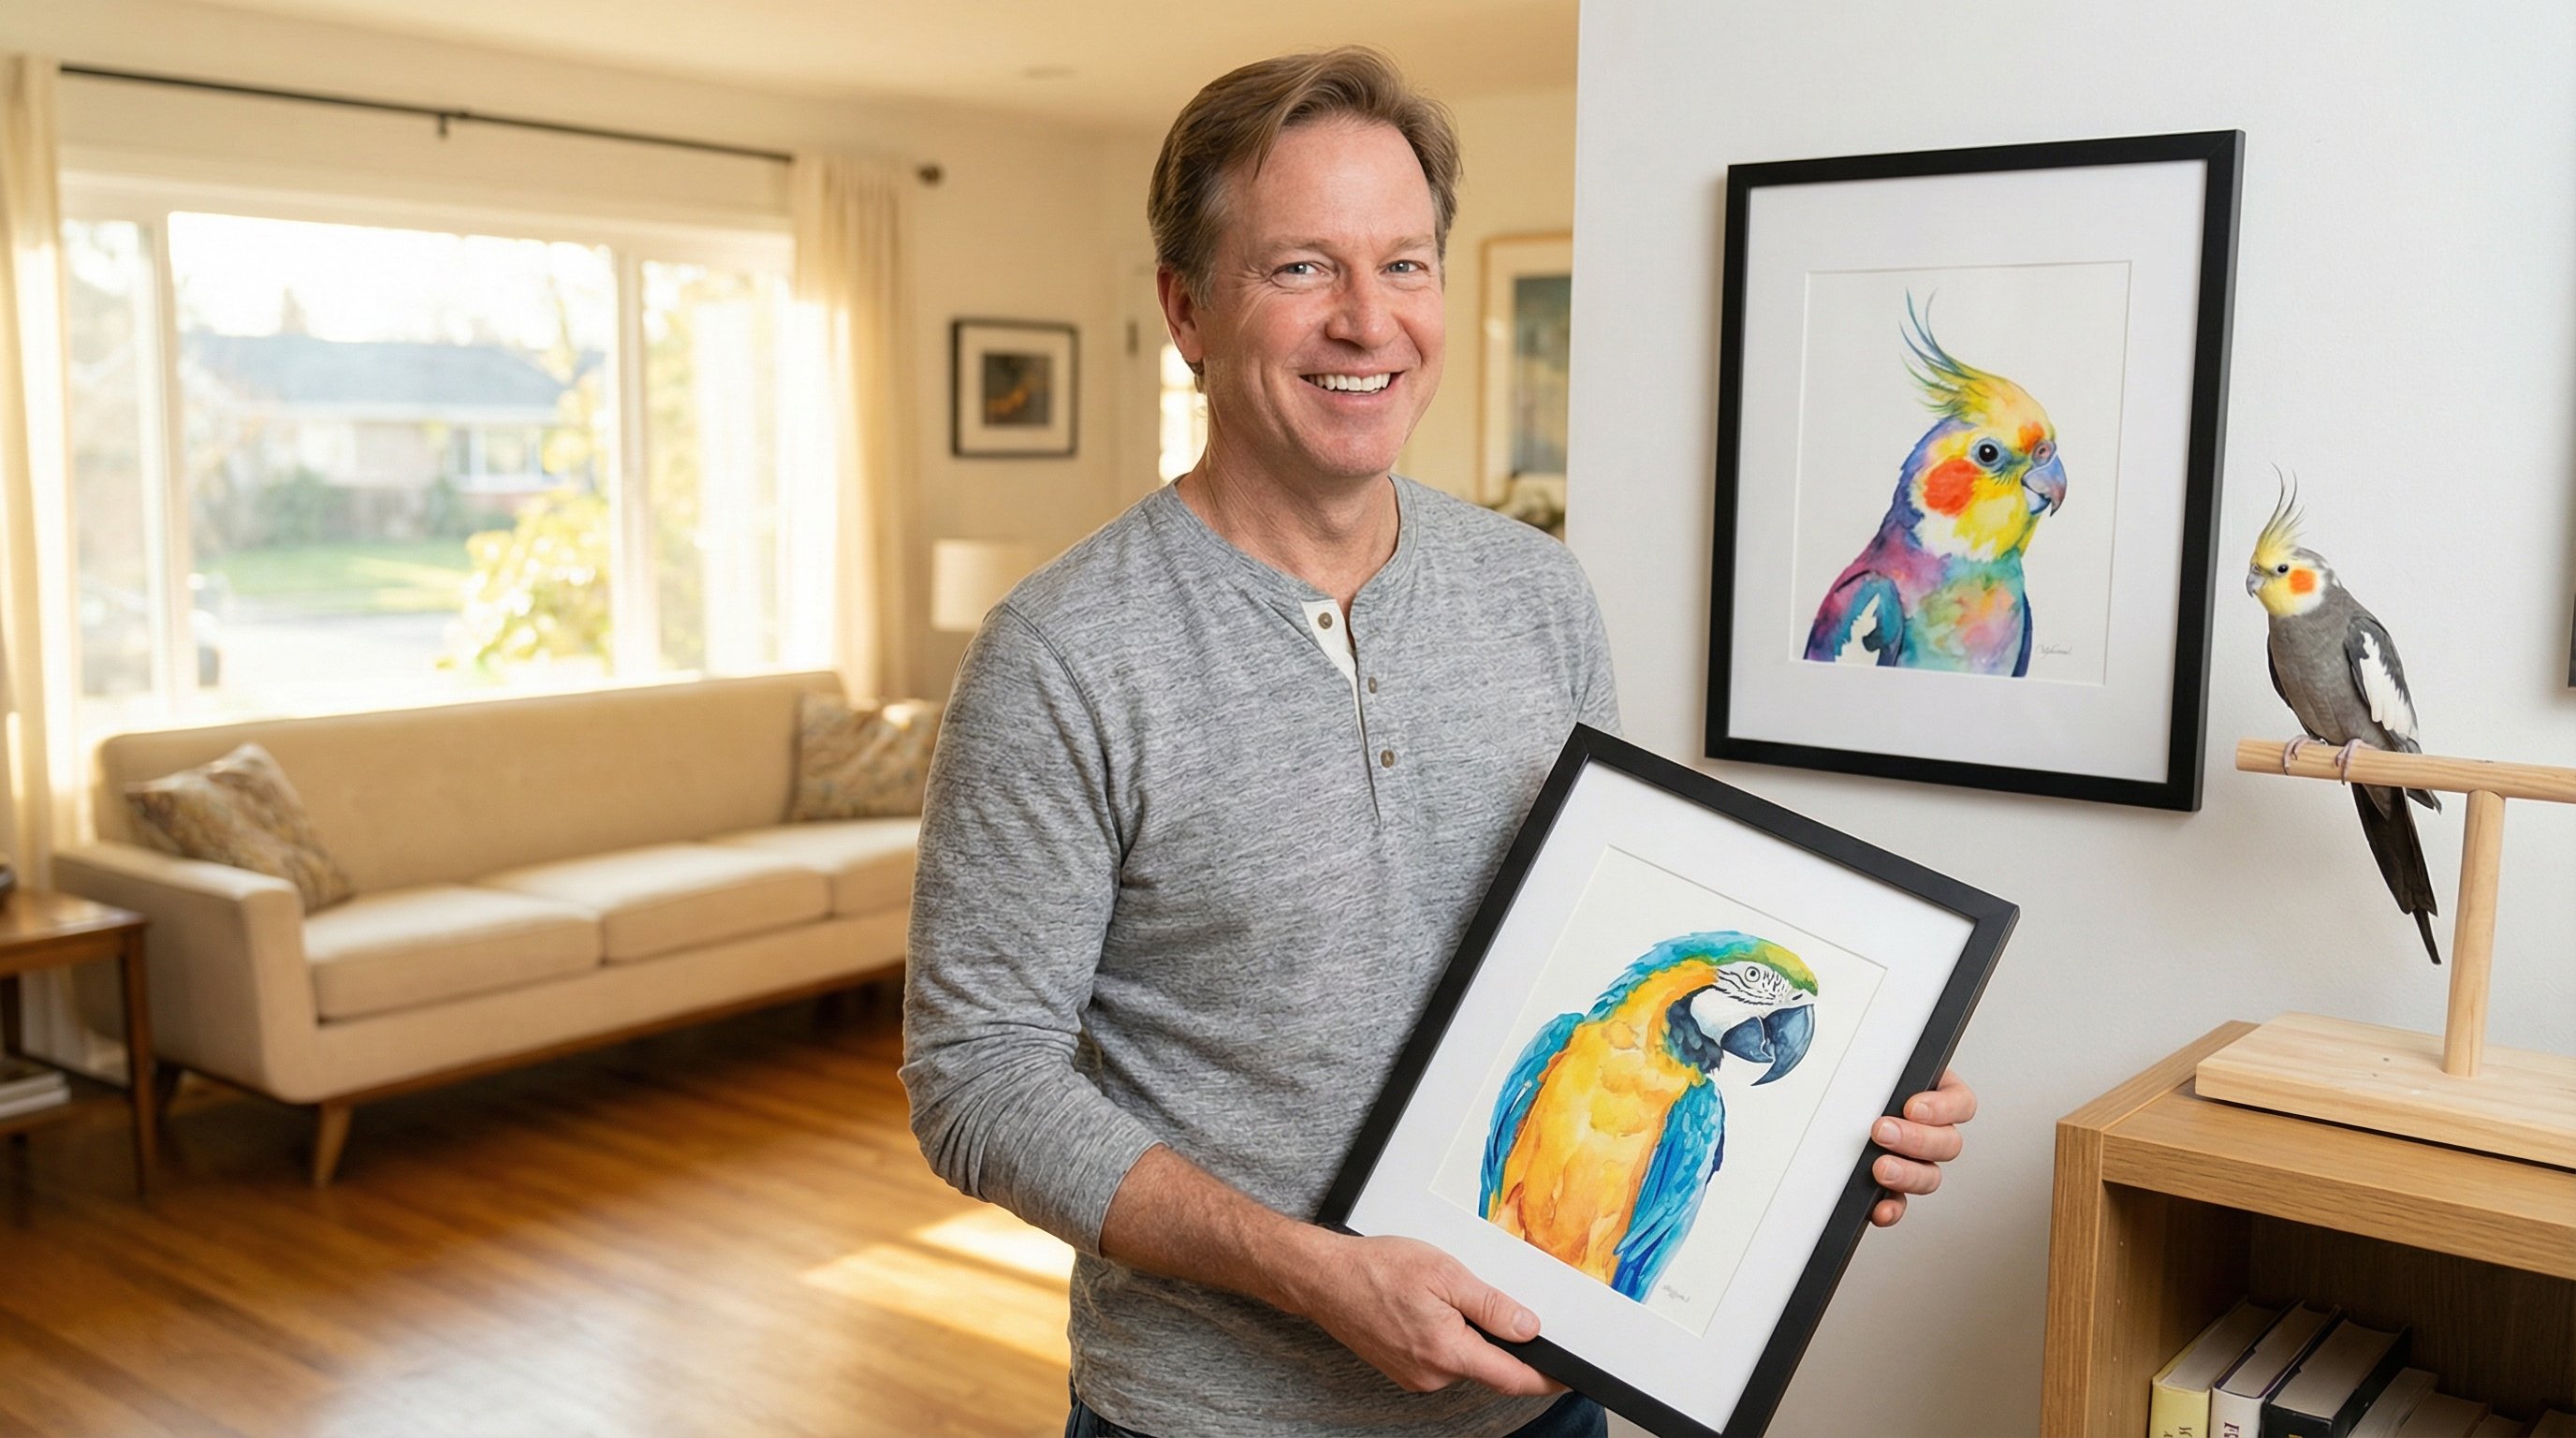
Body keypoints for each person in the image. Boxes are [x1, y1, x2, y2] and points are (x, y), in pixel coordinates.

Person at [900, 47, 1977, 1438]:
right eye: (1301, 268)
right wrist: (1311, 1272)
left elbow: (1605, 948)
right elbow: (979, 1083)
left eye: (1404, 265)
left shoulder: (1538, 593)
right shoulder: (1062, 656)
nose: (1369, 323)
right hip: (1215, 1420)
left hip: (1540, 1405)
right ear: (1187, 309)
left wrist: (1845, 1110)